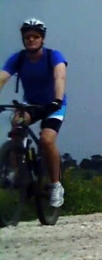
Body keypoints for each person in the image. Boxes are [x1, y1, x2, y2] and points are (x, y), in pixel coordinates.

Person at [0, 18, 68, 208]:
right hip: (31, 103)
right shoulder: (19, 58)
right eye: (27, 37)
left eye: (35, 37)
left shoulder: (53, 56)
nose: (31, 40)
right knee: (16, 123)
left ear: (42, 39)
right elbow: (2, 78)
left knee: (46, 140)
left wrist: (57, 100)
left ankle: (55, 185)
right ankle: (16, 169)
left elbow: (59, 76)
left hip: (54, 104)